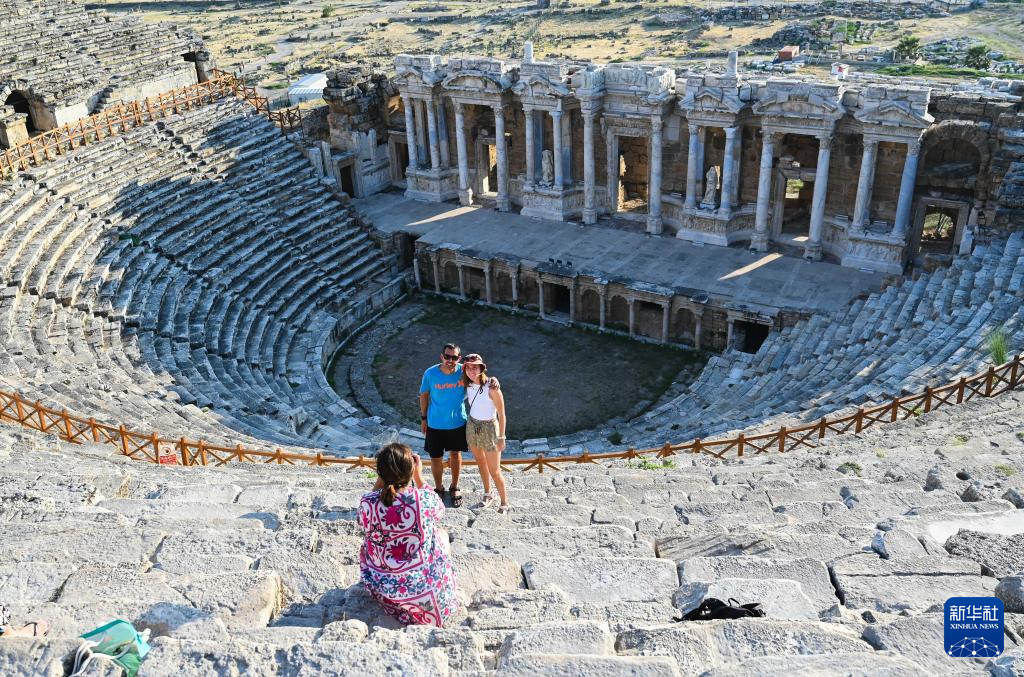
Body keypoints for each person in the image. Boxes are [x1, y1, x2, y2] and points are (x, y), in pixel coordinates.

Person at [358, 443, 458, 627]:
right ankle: (442, 580)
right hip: (427, 592)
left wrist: (382, 479)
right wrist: (418, 476)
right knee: (441, 533)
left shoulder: (367, 502)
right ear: (410, 470)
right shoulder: (423, 498)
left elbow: (363, 519)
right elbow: (440, 510)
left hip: (385, 589)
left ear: (380, 472)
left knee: (367, 541)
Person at [419, 342, 469, 507]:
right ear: (442, 356)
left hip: (457, 422)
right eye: (447, 356)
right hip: (435, 423)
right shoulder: (430, 373)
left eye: (454, 357)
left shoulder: (464, 371)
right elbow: (424, 396)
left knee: (456, 454)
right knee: (435, 458)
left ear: (459, 358)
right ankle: (439, 487)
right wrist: (423, 418)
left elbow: (481, 376)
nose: (450, 360)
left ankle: (454, 486)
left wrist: (494, 380)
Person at [463, 354, 510, 514]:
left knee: (495, 470)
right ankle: (488, 493)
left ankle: (504, 502)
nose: (471, 370)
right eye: (468, 367)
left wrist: (502, 437)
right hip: (473, 424)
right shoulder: (467, 383)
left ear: (482, 368)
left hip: (490, 428)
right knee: (480, 462)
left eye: (475, 366)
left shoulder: (492, 387)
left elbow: (502, 414)